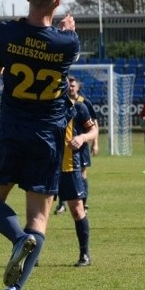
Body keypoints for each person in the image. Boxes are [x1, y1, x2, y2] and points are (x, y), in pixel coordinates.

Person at [0, 0, 80, 290]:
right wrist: (65, 30)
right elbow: (60, 51)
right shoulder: (68, 42)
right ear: (57, 0)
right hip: (47, 136)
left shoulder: (6, 32)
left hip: (11, 129)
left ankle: (17, 239)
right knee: (39, 219)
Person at [57, 77, 99, 266]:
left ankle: (85, 255)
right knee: (38, 213)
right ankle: (33, 257)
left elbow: (93, 131)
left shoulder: (79, 108)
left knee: (77, 209)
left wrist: (82, 138)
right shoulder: (42, 108)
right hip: (46, 167)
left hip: (69, 166)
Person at [55, 76, 98, 215]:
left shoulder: (84, 103)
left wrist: (94, 143)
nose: (71, 87)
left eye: (73, 85)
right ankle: (62, 204)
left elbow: (93, 124)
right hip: (62, 148)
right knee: (60, 174)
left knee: (82, 174)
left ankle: (83, 203)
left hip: (81, 146)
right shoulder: (59, 103)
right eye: (69, 85)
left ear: (78, 87)